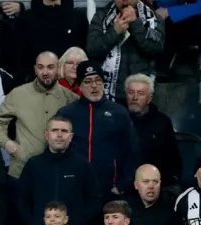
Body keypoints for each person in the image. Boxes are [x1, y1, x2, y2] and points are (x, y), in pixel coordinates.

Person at [57, 61, 141, 197]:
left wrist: (121, 185)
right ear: (80, 85)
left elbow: (132, 152)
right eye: (88, 81)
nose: (94, 86)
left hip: (109, 192)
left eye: (98, 80)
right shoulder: (66, 114)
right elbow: (55, 150)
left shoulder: (119, 113)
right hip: (74, 190)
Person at [0, 52, 77, 179]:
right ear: (35, 69)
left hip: (59, 172)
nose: (45, 72)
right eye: (40, 67)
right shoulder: (18, 94)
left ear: (58, 68)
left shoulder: (71, 99)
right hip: (22, 171)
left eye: (50, 67)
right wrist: (7, 143)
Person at [18, 115, 98, 225]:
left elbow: (94, 199)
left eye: (64, 131)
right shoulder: (34, 164)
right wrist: (34, 223)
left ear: (71, 137)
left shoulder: (82, 165)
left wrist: (77, 224)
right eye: (55, 130)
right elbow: (21, 199)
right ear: (47, 135)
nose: (59, 135)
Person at [86, 0, 164, 102]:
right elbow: (92, 50)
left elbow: (156, 48)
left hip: (140, 93)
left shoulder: (154, 17)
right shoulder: (101, 16)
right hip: (108, 93)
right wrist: (114, 31)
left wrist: (135, 23)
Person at [125, 74, 181, 190]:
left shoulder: (162, 122)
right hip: (125, 186)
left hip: (156, 186)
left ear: (149, 98)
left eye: (140, 94)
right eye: (131, 92)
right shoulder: (116, 119)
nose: (134, 98)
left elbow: (172, 158)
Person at [16, 0, 88, 81]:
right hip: (36, 83)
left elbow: (83, 53)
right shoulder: (26, 19)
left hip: (70, 84)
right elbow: (21, 56)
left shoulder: (78, 18)